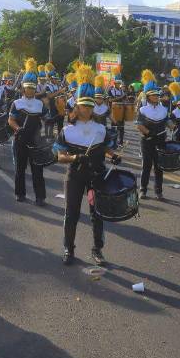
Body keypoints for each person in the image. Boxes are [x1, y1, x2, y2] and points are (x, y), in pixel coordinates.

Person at [53, 64, 121, 265]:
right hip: (75, 176)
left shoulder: (100, 129)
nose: (88, 108)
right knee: (71, 212)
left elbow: (107, 147)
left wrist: (113, 156)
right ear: (77, 106)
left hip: (96, 176)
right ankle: (68, 249)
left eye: (90, 105)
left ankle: (97, 250)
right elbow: (59, 156)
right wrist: (74, 158)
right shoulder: (68, 130)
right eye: (84, 105)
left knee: (96, 213)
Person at [8, 59, 48, 205]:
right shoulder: (16, 103)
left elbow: (45, 118)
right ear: (23, 88)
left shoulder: (39, 104)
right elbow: (10, 121)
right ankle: (20, 193)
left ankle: (40, 197)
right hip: (20, 139)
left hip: (35, 140)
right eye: (28, 87)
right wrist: (18, 128)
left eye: (32, 87)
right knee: (20, 168)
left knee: (38, 169)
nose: (30, 90)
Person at [135, 69, 168, 200]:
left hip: (161, 141)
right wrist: (149, 133)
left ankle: (158, 191)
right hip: (147, 141)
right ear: (148, 97)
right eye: (153, 95)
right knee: (147, 166)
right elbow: (139, 125)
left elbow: (168, 122)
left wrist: (174, 124)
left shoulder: (163, 109)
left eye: (157, 95)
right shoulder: (143, 110)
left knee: (159, 167)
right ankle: (143, 190)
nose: (156, 97)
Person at [107, 72, 126, 146]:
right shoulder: (110, 91)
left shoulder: (122, 91)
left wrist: (126, 101)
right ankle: (113, 142)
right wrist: (121, 97)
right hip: (113, 111)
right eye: (117, 83)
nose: (119, 84)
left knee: (121, 128)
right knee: (114, 127)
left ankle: (121, 142)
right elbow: (110, 100)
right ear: (114, 83)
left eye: (119, 83)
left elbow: (124, 100)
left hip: (121, 111)